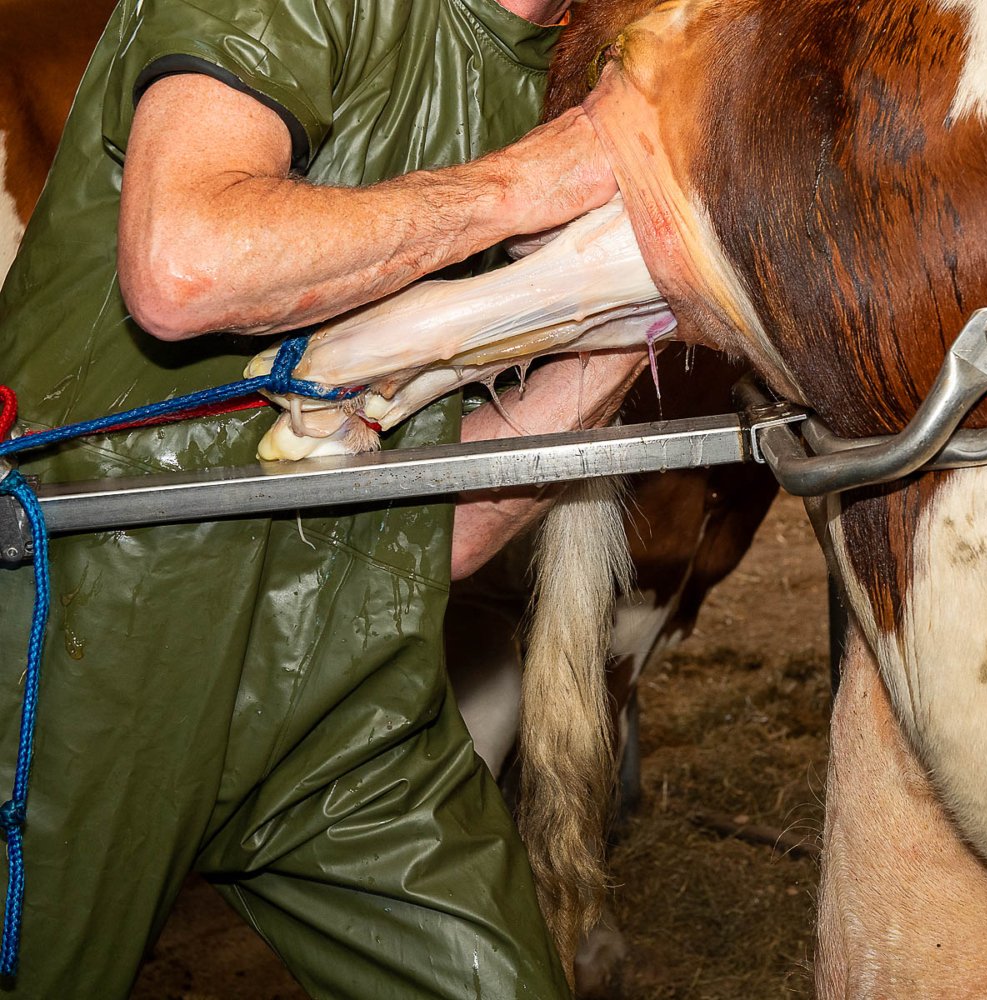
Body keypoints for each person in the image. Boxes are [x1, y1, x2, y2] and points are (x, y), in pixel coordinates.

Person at [0, 0, 645, 995]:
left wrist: (645, 306)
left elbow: (445, 531)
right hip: (80, 647)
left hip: (346, 692)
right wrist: (526, 184)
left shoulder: (584, 75)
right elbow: (183, 263)